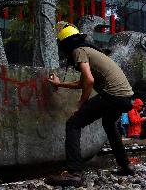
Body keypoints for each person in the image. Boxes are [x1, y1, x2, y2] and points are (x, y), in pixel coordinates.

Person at [45, 21, 135, 187]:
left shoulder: (78, 51)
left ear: (64, 43)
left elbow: (89, 80)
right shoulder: (88, 51)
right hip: (125, 97)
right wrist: (59, 84)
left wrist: (80, 104)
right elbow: (82, 82)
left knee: (73, 123)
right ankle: (126, 166)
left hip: (113, 95)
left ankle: (74, 173)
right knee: (109, 124)